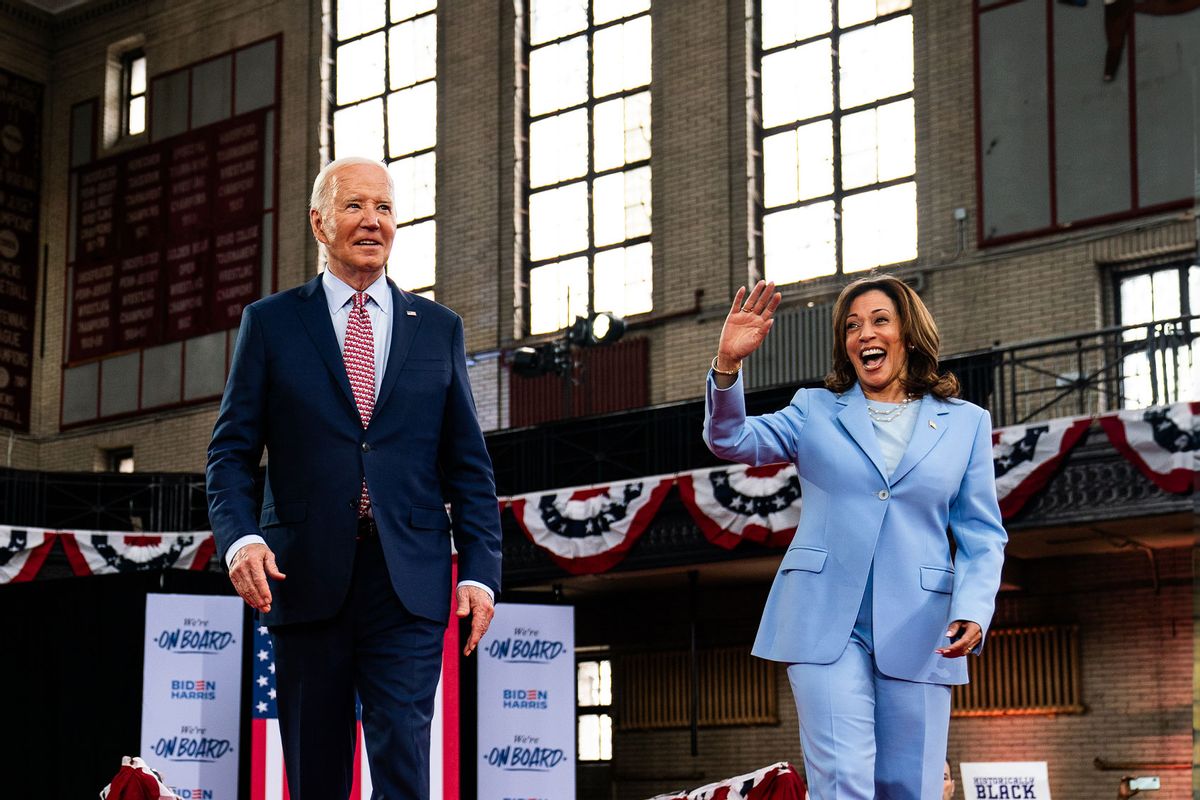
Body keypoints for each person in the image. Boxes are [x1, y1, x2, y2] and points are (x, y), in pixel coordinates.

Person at [207, 156, 502, 798]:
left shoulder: (441, 329)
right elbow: (229, 454)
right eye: (354, 206)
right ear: (319, 222)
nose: (372, 221)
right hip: (304, 576)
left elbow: (469, 468)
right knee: (317, 772)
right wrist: (239, 538)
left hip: (410, 582)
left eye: (385, 208)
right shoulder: (271, 324)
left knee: (402, 758)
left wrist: (480, 571)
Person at [703, 276, 1006, 800]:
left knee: (910, 787)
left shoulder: (966, 424)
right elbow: (730, 439)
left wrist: (975, 608)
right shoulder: (814, 410)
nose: (864, 333)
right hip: (824, 622)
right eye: (852, 325)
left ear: (908, 334)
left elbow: (982, 533)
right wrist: (727, 365)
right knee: (843, 779)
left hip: (922, 624)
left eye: (879, 320)